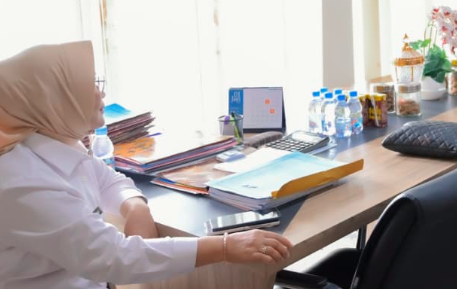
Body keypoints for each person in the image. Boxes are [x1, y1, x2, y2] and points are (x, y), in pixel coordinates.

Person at [0, 41, 292, 288]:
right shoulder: (22, 182)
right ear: (55, 101)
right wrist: (225, 247)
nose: (101, 93)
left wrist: (135, 206)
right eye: (89, 85)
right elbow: (113, 257)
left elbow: (107, 179)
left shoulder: (54, 143)